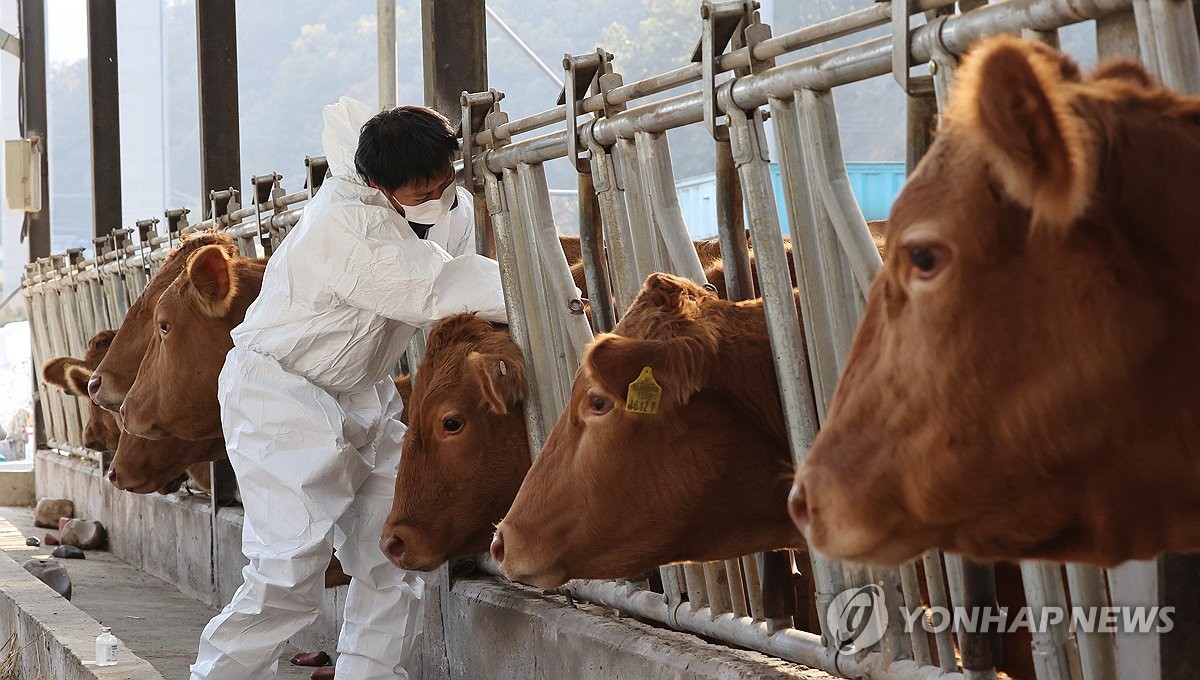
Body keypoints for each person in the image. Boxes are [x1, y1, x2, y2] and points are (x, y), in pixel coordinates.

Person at [190, 97, 507, 680]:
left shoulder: (449, 207)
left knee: (395, 546)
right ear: (376, 183)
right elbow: (433, 289)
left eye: (443, 181)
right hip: (278, 393)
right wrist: (541, 295)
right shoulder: (344, 220)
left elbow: (453, 276)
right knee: (288, 568)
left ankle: (369, 673)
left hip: (362, 389)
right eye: (418, 191)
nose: (436, 197)